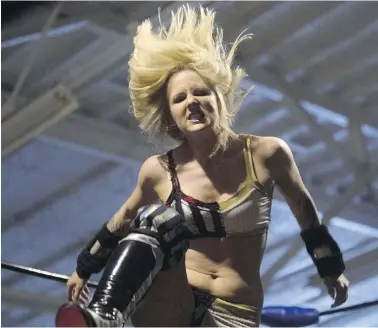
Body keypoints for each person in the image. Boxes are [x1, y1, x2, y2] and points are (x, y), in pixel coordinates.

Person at [55, 4, 349, 327]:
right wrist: (83, 269)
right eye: (179, 98)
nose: (191, 102)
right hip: (172, 306)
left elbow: (304, 211)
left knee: (162, 220)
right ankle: (103, 318)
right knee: (157, 219)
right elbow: (122, 220)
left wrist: (330, 268)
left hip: (231, 315)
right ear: (170, 118)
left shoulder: (267, 154)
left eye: (200, 92)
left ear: (219, 98)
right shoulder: (158, 171)